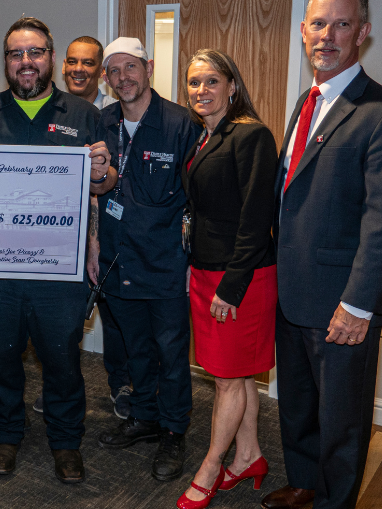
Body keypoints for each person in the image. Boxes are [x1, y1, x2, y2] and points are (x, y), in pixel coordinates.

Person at [262, 0, 382, 509]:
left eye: (341, 24)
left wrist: (357, 304)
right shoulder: (308, 100)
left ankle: (333, 502)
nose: (327, 35)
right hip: (293, 293)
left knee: (342, 420)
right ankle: (304, 484)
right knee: (298, 406)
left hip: (342, 303)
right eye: (318, 23)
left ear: (362, 33)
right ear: (304, 31)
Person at [0, 17, 110, 484]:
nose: (26, 62)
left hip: (58, 269)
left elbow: (101, 187)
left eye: (35, 52)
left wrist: (93, 240)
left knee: (62, 359)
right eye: (16, 54)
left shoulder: (82, 115)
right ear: (5, 62)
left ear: (50, 57)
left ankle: (66, 442)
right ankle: (5, 436)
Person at [91, 37, 198, 482]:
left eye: (130, 68)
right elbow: (94, 189)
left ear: (148, 67)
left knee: (171, 354)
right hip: (118, 259)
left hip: (165, 263)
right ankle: (145, 418)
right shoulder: (102, 120)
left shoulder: (180, 123)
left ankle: (173, 431)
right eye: (114, 71)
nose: (123, 78)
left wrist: (196, 261)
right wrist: (94, 245)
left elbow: (199, 199)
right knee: (135, 349)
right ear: (106, 78)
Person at [176, 49, 278, 509]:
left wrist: (231, 286)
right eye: (194, 82)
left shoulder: (250, 136)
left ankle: (211, 465)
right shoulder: (207, 136)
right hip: (206, 270)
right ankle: (249, 455)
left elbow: (257, 219)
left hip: (240, 277)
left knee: (226, 381)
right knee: (238, 375)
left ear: (232, 86)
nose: (201, 91)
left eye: (211, 81)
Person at [62, 35, 133, 419]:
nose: (79, 69)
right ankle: (62, 386)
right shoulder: (56, 113)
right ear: (62, 66)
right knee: (66, 320)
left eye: (89, 63)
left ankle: (120, 385)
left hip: (106, 233)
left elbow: (105, 182)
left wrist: (94, 242)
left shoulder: (112, 116)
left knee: (115, 318)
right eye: (73, 61)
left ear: (101, 73)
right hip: (59, 236)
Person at [62, 36, 111, 108]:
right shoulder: (49, 111)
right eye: (72, 62)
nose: (78, 69)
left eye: (87, 63)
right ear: (64, 66)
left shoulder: (118, 113)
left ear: (101, 71)